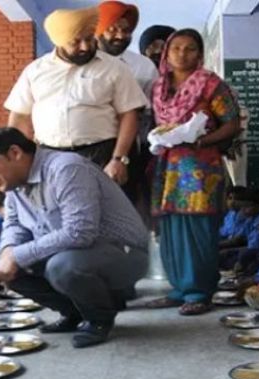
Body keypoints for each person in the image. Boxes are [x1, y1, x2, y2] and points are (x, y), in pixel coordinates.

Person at [0, 127, 149, 348]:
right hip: (75, 254)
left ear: (14, 152)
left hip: (124, 254)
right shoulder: (13, 186)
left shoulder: (66, 168)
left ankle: (100, 317)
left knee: (61, 266)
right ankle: (73, 313)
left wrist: (17, 256)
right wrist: (7, 253)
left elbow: (80, 232)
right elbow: (14, 226)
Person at [146, 29, 241, 316]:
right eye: (176, 48)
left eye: (189, 49)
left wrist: (202, 140)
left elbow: (232, 123)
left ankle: (199, 291)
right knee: (171, 228)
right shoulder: (158, 87)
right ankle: (178, 289)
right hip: (166, 164)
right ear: (166, 53)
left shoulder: (210, 84)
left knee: (197, 228)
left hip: (200, 168)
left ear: (199, 54)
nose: (182, 54)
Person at [4, 7, 147, 185]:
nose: (85, 47)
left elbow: (129, 114)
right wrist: (21, 162)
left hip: (101, 156)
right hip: (49, 157)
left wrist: (119, 159)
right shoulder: (35, 71)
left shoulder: (114, 68)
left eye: (89, 39)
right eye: (75, 42)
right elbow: (20, 117)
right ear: (59, 42)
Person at [96, 1, 158, 218]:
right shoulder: (84, 62)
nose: (120, 35)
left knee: (126, 209)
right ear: (98, 28)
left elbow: (153, 112)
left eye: (126, 30)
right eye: (112, 29)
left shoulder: (143, 66)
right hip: (88, 147)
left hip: (130, 148)